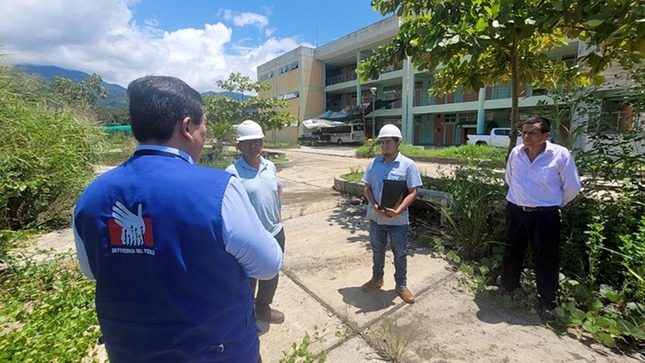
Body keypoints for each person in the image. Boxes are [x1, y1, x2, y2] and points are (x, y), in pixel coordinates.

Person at [73, 75, 282, 362]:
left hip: (130, 352)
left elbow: (92, 270)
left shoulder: (92, 194)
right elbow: (269, 264)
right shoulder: (218, 188)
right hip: (217, 350)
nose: (204, 134)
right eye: (204, 126)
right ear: (187, 127)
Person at [498, 116, 581, 321]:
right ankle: (508, 286)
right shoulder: (516, 153)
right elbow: (509, 178)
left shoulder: (560, 155)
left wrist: (552, 203)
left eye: (532, 132)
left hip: (545, 215)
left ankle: (547, 301)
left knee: (546, 258)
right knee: (512, 250)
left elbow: (572, 187)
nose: (526, 136)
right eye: (523, 132)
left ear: (546, 135)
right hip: (516, 210)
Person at [226, 120, 286, 324]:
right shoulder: (232, 172)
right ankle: (247, 313)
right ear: (239, 146)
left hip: (275, 231)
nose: (253, 146)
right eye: (248, 142)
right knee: (247, 278)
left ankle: (263, 308)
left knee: (271, 273)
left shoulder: (270, 166)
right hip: (250, 236)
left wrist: (278, 218)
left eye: (257, 141)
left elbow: (276, 193)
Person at [360, 124, 423, 304]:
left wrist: (398, 211)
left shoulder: (408, 165)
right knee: (377, 251)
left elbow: (413, 192)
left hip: (399, 220)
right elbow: (367, 188)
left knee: (400, 254)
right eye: (382, 142)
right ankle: (377, 278)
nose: (384, 145)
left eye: (388, 142)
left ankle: (401, 285)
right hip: (376, 219)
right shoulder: (373, 164)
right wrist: (374, 206)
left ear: (398, 143)